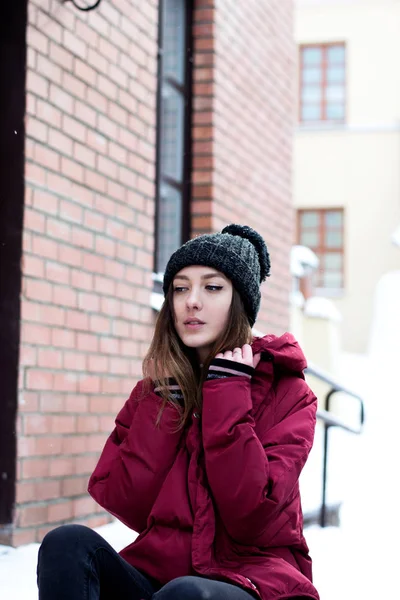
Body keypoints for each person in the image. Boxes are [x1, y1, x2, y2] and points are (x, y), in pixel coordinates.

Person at [37, 224, 319, 600]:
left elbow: (251, 517)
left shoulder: (289, 394)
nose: (192, 301)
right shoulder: (155, 392)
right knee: (67, 544)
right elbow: (129, 504)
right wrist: (169, 405)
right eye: (180, 288)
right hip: (157, 577)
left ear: (241, 302)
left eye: (212, 287)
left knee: (186, 594)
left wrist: (227, 393)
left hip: (252, 580)